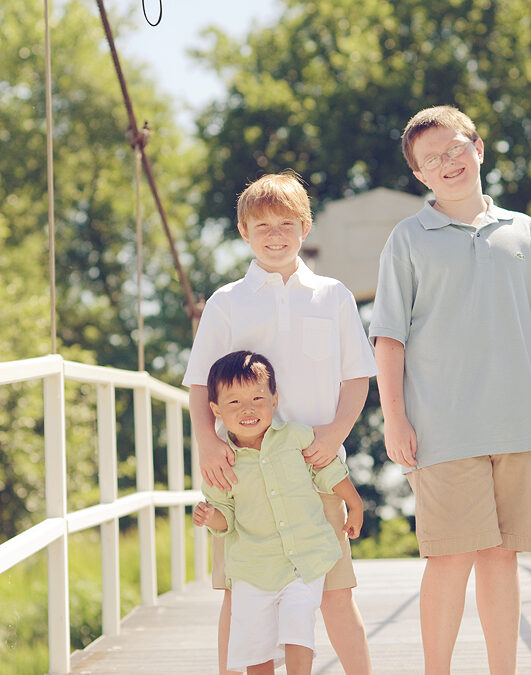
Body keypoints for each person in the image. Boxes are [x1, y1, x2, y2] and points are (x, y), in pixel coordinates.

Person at [183, 171, 377, 675]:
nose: (275, 234)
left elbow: (357, 377)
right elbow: (201, 384)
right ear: (243, 231)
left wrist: (334, 436)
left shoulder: (332, 296)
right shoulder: (227, 301)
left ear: (306, 226)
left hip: (315, 469)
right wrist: (207, 442)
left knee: (335, 594)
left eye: (287, 223)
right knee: (241, 600)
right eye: (262, 224)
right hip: (242, 475)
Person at [369, 105, 531, 674]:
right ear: (420, 175)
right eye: (431, 159)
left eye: (455, 148)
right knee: (449, 560)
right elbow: (387, 336)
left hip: (518, 425)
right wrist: (395, 419)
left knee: (502, 558)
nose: (448, 163)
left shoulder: (524, 233)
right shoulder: (408, 239)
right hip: (443, 427)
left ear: (479, 147)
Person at [193, 350, 364, 674]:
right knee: (256, 647)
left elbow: (328, 471)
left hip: (303, 561)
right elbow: (225, 515)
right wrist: (210, 516)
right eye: (234, 403)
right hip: (253, 568)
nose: (248, 409)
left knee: (299, 630)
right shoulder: (221, 462)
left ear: (274, 399)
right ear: (215, 410)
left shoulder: (295, 437)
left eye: (258, 398)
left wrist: (354, 504)